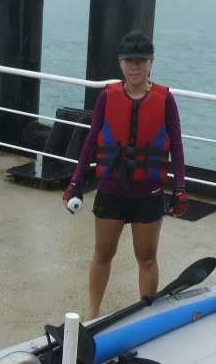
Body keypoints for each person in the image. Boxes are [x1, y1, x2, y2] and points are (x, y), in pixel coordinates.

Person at [63, 30, 187, 321]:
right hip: (111, 190)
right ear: (120, 64)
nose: (135, 66)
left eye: (141, 60)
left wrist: (179, 189)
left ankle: (146, 314)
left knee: (146, 258)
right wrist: (74, 182)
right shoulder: (107, 97)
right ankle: (93, 313)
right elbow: (92, 141)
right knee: (102, 255)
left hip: (148, 195)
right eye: (129, 61)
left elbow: (177, 147)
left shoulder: (165, 99)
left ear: (151, 63)